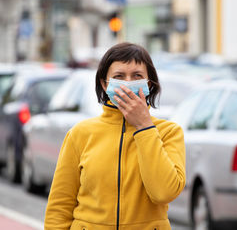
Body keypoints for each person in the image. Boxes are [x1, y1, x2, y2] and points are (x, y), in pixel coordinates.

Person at [45, 42, 186, 230]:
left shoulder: (169, 132)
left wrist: (144, 127)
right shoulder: (80, 134)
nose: (128, 83)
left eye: (137, 76)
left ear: (149, 84)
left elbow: (163, 192)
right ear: (104, 84)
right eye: (119, 76)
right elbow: (60, 206)